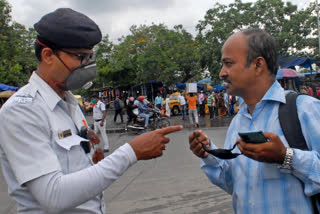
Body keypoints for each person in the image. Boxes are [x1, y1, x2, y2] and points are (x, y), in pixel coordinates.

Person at [0, 8, 183, 214]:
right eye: (81, 57)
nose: (87, 66)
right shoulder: (23, 111)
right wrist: (131, 152)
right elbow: (53, 195)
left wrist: (91, 158)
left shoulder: (69, 103)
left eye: (89, 57)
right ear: (48, 55)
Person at [189, 29, 320, 213]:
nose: (221, 73)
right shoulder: (237, 122)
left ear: (258, 65)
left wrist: (285, 156)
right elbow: (235, 185)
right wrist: (208, 153)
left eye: (228, 63)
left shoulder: (304, 109)